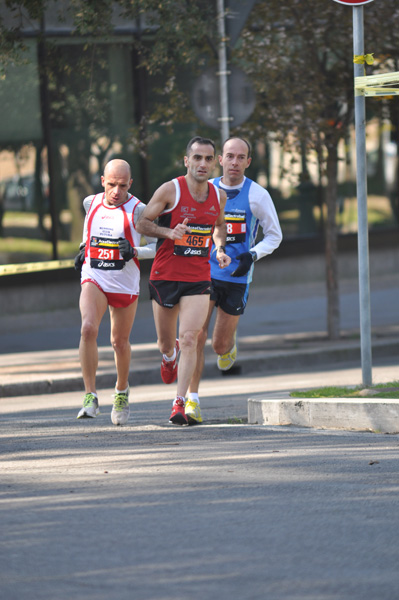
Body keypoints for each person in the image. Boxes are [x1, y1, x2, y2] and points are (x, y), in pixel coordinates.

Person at [135, 136, 231, 426]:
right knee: (167, 342)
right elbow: (142, 223)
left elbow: (219, 226)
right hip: (165, 275)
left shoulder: (218, 196)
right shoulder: (170, 190)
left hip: (198, 278)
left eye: (208, 158)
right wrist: (168, 233)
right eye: (197, 158)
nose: (203, 163)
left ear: (215, 162)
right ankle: (168, 356)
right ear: (186, 160)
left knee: (191, 337)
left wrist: (220, 248)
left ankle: (179, 403)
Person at [187, 137, 282, 412]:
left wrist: (252, 255)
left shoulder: (257, 195)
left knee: (218, 346)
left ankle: (229, 344)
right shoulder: (207, 189)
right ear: (220, 160)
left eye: (241, 157)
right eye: (229, 156)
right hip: (204, 273)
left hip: (238, 276)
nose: (234, 162)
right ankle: (192, 400)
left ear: (248, 162)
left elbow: (275, 236)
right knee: (195, 335)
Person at [74, 158, 156, 425]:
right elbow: (89, 232)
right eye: (111, 184)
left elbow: (157, 247)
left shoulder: (139, 210)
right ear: (102, 182)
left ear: (130, 183)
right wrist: (82, 249)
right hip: (95, 275)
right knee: (88, 328)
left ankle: (121, 390)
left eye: (122, 185)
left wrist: (135, 251)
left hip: (123, 282)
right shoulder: (91, 202)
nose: (116, 191)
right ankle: (90, 395)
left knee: (119, 342)